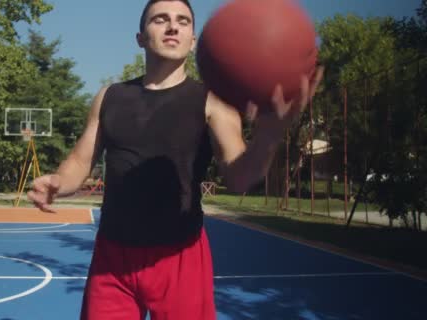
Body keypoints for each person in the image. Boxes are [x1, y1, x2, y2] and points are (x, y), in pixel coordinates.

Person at [28, 0, 324, 319]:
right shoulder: (109, 96)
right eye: (161, 19)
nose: (173, 26)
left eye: (183, 21)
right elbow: (79, 162)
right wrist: (59, 181)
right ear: (140, 37)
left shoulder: (213, 102)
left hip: (180, 255)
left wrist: (268, 135)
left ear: (193, 40)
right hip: (113, 256)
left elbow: (239, 178)